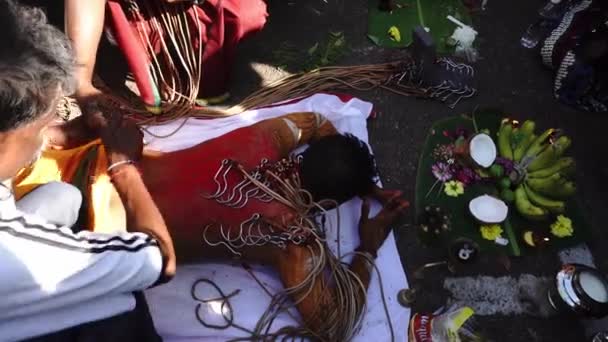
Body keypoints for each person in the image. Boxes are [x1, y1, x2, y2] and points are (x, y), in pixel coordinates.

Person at [20, 107, 409, 339]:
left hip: (87, 164)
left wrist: (367, 185)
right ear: (326, 205)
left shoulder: (269, 137)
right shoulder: (291, 238)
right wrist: (368, 247)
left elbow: (320, 123)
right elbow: (333, 324)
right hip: (96, 242)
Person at [0, 1, 176, 340]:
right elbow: (161, 259)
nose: (50, 127)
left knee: (61, 197)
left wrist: (54, 137)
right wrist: (123, 166)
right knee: (121, 308)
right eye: (44, 122)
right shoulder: (17, 257)